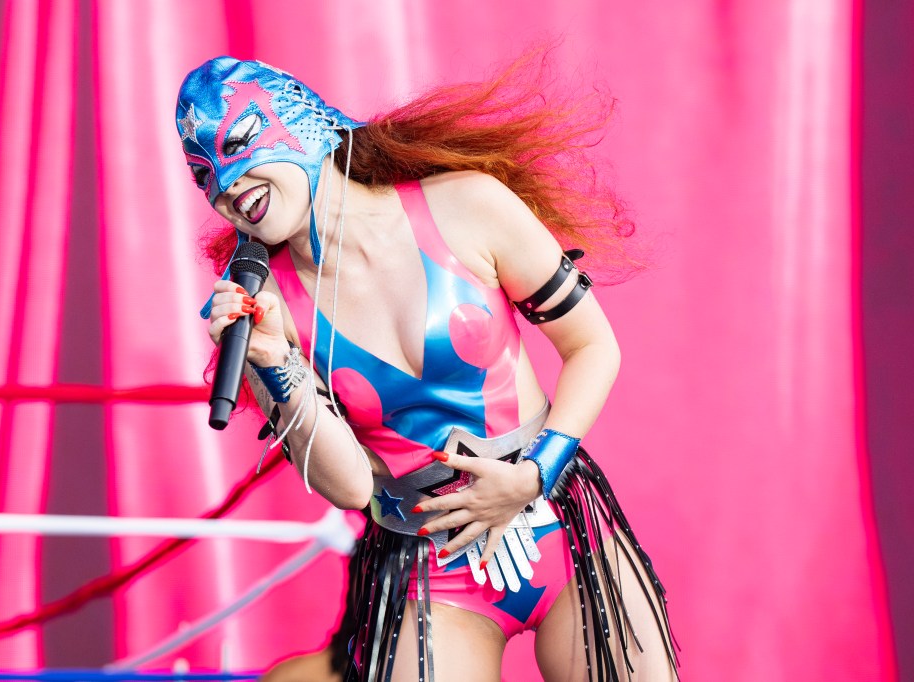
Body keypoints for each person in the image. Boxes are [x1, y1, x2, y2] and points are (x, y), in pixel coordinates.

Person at [176, 55, 678, 682]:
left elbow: (594, 346)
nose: (225, 182)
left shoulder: (466, 206)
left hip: (556, 521)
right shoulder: (260, 305)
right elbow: (351, 488)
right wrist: (276, 363)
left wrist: (533, 474)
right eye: (203, 176)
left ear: (303, 124)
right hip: (426, 567)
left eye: (240, 143)